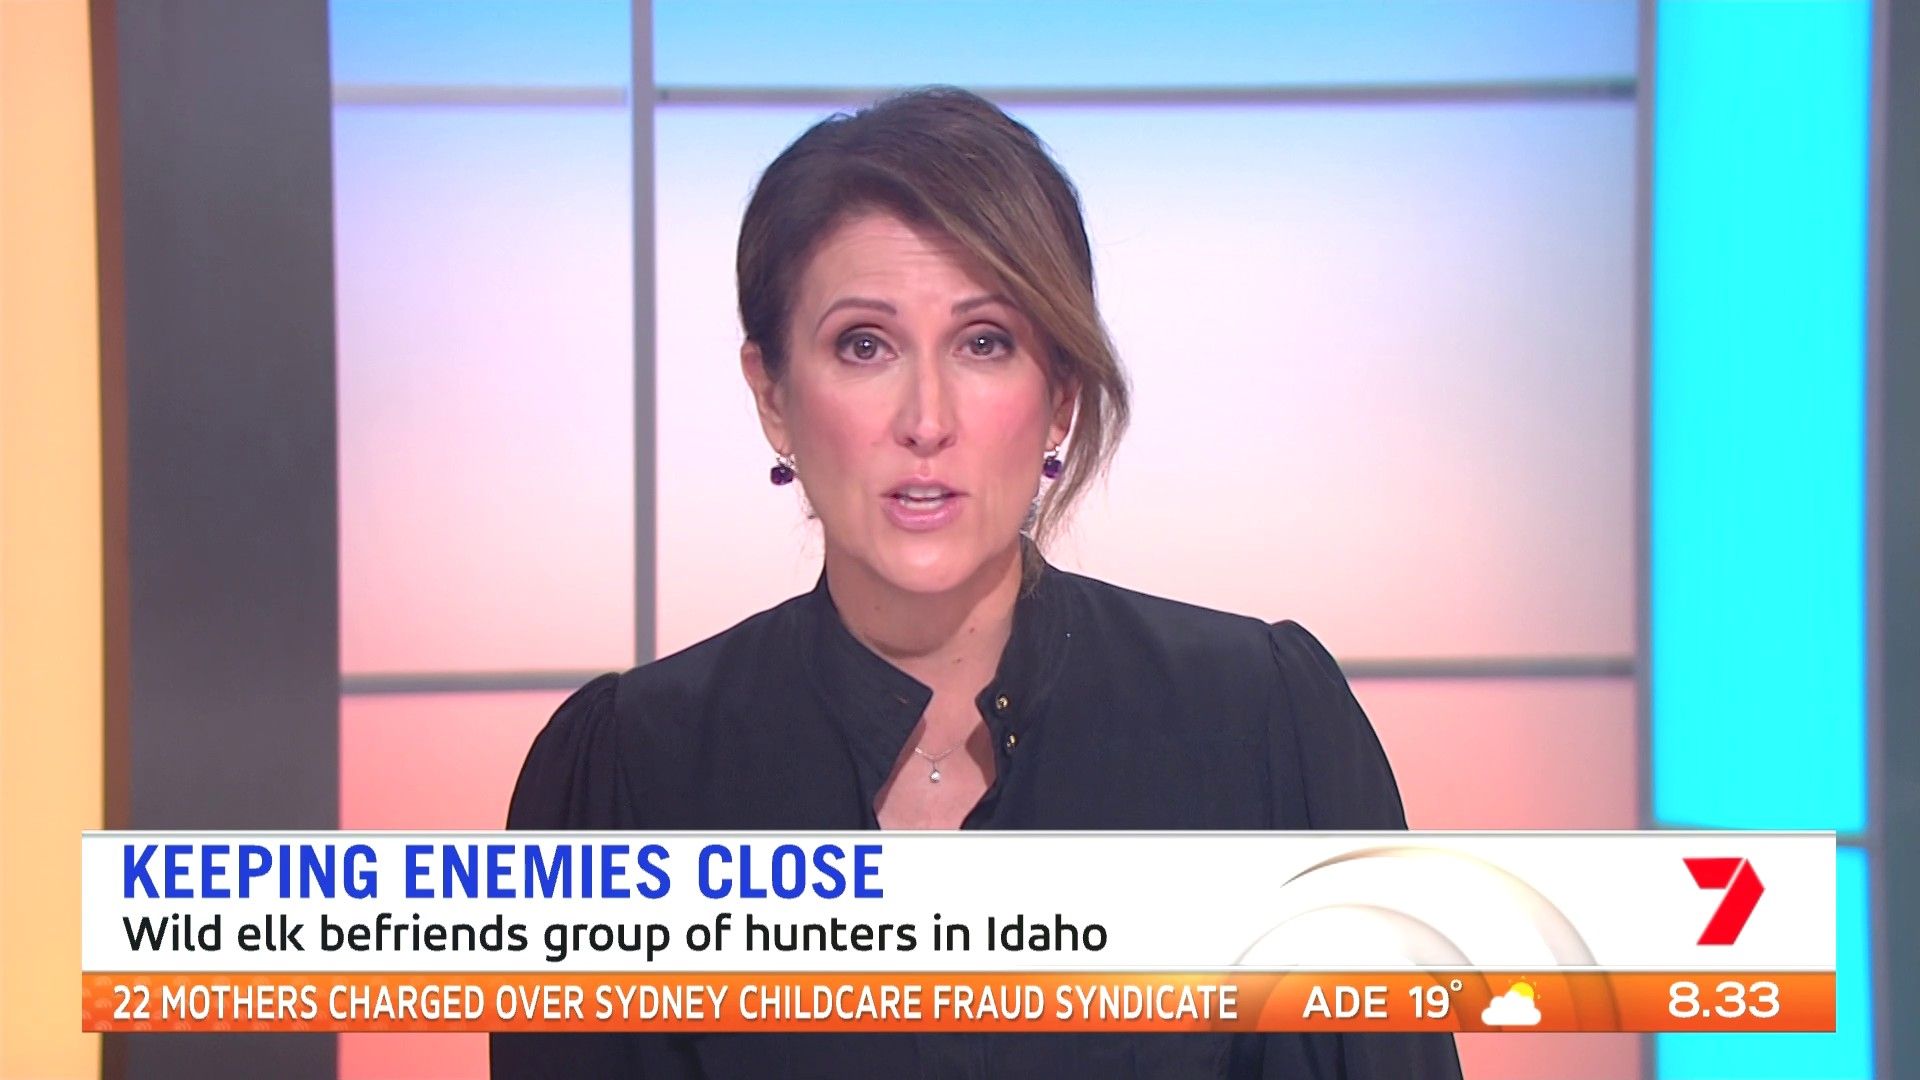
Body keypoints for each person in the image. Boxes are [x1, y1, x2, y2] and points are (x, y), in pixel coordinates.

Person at [493, 86, 1461, 1079]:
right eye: (864, 345)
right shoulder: (627, 777)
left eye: (984, 342)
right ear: (774, 396)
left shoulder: (1263, 728)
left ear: (1060, 397)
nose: (927, 419)